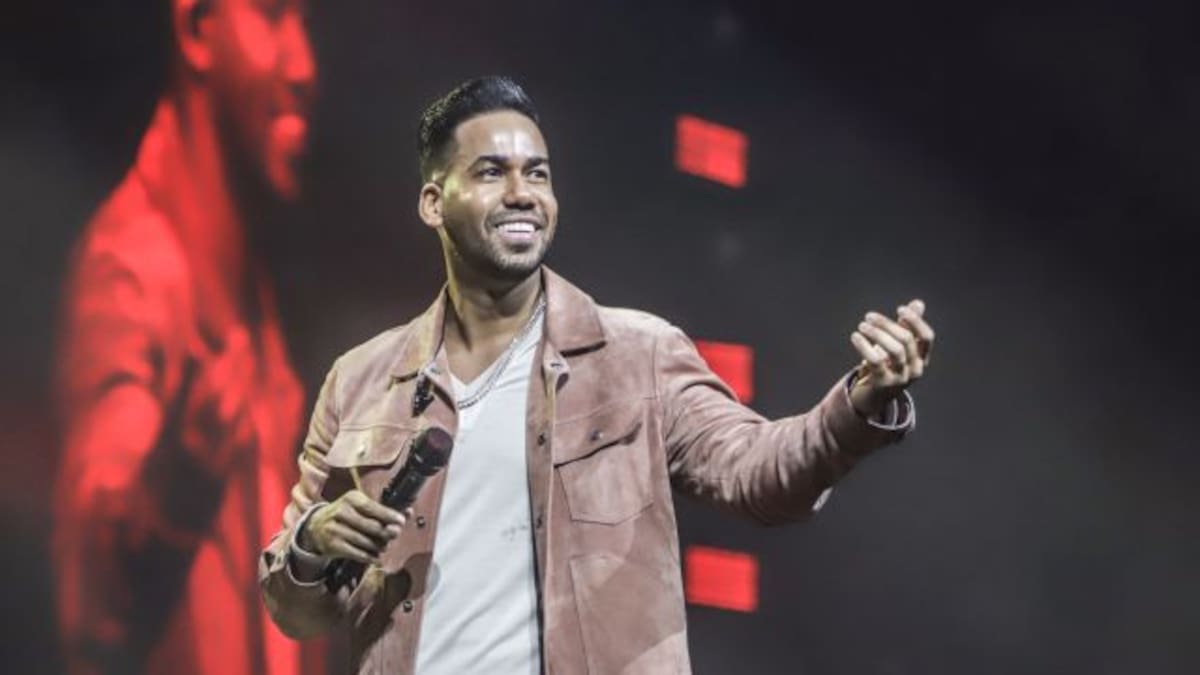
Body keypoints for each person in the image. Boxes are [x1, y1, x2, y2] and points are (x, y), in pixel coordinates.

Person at [259, 76, 936, 675]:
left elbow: (763, 474)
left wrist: (859, 403)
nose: (522, 194)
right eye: (492, 172)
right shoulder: (360, 380)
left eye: (538, 174)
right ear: (434, 202)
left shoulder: (637, 354)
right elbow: (295, 611)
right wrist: (313, 544)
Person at [53, 1, 320, 674]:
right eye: (272, 15)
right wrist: (177, 485)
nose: (304, 64)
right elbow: (94, 606)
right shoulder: (128, 271)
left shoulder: (247, 292)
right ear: (198, 27)